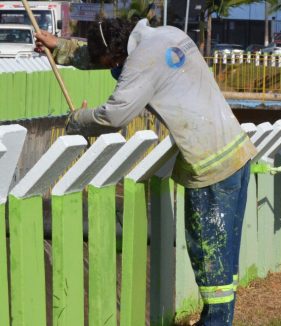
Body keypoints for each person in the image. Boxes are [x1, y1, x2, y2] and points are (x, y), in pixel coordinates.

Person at [36, 18, 256, 325]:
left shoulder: (141, 62)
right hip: (236, 152)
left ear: (116, 57)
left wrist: (78, 120)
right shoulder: (167, 35)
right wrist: (60, 48)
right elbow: (112, 60)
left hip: (210, 165)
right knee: (223, 256)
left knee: (208, 257)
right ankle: (217, 319)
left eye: (110, 63)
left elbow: (115, 115)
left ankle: (216, 322)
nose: (112, 68)